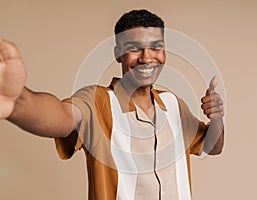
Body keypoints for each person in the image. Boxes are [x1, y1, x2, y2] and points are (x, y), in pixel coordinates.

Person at [0, 9, 224, 200]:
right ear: (118, 54)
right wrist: (17, 101)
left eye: (155, 47)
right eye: (134, 48)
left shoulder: (173, 104)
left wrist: (217, 118)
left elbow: (212, 146)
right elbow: (59, 116)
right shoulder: (97, 102)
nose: (147, 57)